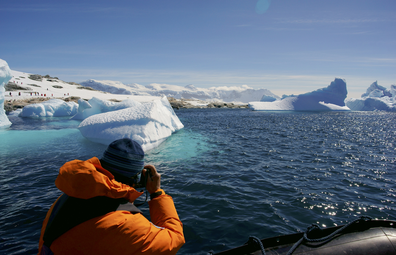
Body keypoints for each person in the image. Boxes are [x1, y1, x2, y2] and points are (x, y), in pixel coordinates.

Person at [38, 138, 185, 255]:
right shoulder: (124, 223)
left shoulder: (68, 196)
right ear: (137, 178)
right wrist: (157, 193)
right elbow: (174, 239)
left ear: (102, 166)